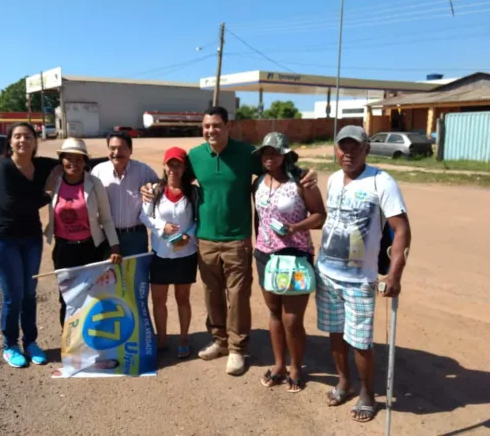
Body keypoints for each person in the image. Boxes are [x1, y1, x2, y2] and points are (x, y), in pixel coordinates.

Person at [141, 106, 318, 376]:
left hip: (237, 239)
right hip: (206, 238)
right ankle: (219, 341)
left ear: (227, 127)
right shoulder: (196, 156)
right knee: (212, 294)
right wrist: (153, 185)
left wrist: (304, 172)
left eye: (216, 125)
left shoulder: (246, 153)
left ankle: (237, 348)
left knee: (237, 297)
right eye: (206, 126)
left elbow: (278, 163)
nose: (210, 130)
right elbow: (174, 178)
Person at [316, 125, 411, 423]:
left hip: (360, 279)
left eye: (355, 146)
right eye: (343, 146)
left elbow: (402, 229)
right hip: (327, 273)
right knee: (335, 334)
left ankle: (367, 393)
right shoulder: (332, 180)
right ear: (336, 149)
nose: (348, 152)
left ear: (366, 149)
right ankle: (344, 382)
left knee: (360, 341)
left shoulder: (381, 182)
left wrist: (394, 274)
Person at [251, 132, 326, 391]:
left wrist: (294, 228)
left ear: (284, 154)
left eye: (274, 152)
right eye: (265, 153)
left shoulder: (301, 182)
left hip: (294, 256)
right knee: (273, 314)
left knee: (292, 319)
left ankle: (296, 367)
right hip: (264, 255)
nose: (269, 157)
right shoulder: (258, 182)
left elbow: (320, 216)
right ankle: (279, 365)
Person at [0, 122, 59, 368]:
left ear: (35, 141)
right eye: (17, 136)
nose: (22, 140)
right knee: (13, 295)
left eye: (28, 136)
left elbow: (73, 162)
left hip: (30, 238)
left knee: (29, 294)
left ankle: (31, 342)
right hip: (1, 238)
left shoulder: (43, 165)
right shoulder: (1, 167)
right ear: (10, 142)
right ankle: (10, 345)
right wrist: (47, 194)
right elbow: (11, 204)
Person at [44, 138, 122, 328]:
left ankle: (93, 344)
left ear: (85, 161)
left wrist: (114, 246)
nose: (74, 163)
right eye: (68, 158)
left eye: (79, 159)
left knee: (93, 297)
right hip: (64, 250)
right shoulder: (54, 183)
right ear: (61, 160)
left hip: (91, 249)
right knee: (68, 298)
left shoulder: (94, 183)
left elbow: (106, 219)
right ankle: (70, 345)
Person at [140, 147, 198, 359]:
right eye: (170, 164)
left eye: (178, 164)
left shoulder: (193, 192)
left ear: (184, 167)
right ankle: (162, 338)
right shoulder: (154, 191)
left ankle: (184, 338)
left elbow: (197, 221)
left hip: (185, 255)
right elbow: (144, 216)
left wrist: (188, 237)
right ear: (164, 166)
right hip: (160, 255)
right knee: (159, 300)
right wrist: (161, 226)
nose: (174, 168)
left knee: (183, 299)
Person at [91, 132, 159, 257]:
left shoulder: (143, 170)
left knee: (137, 275)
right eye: (112, 148)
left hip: (136, 237)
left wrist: (152, 188)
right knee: (110, 275)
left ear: (130, 150)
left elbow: (161, 187)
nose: (116, 152)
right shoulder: (98, 172)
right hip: (107, 237)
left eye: (122, 148)